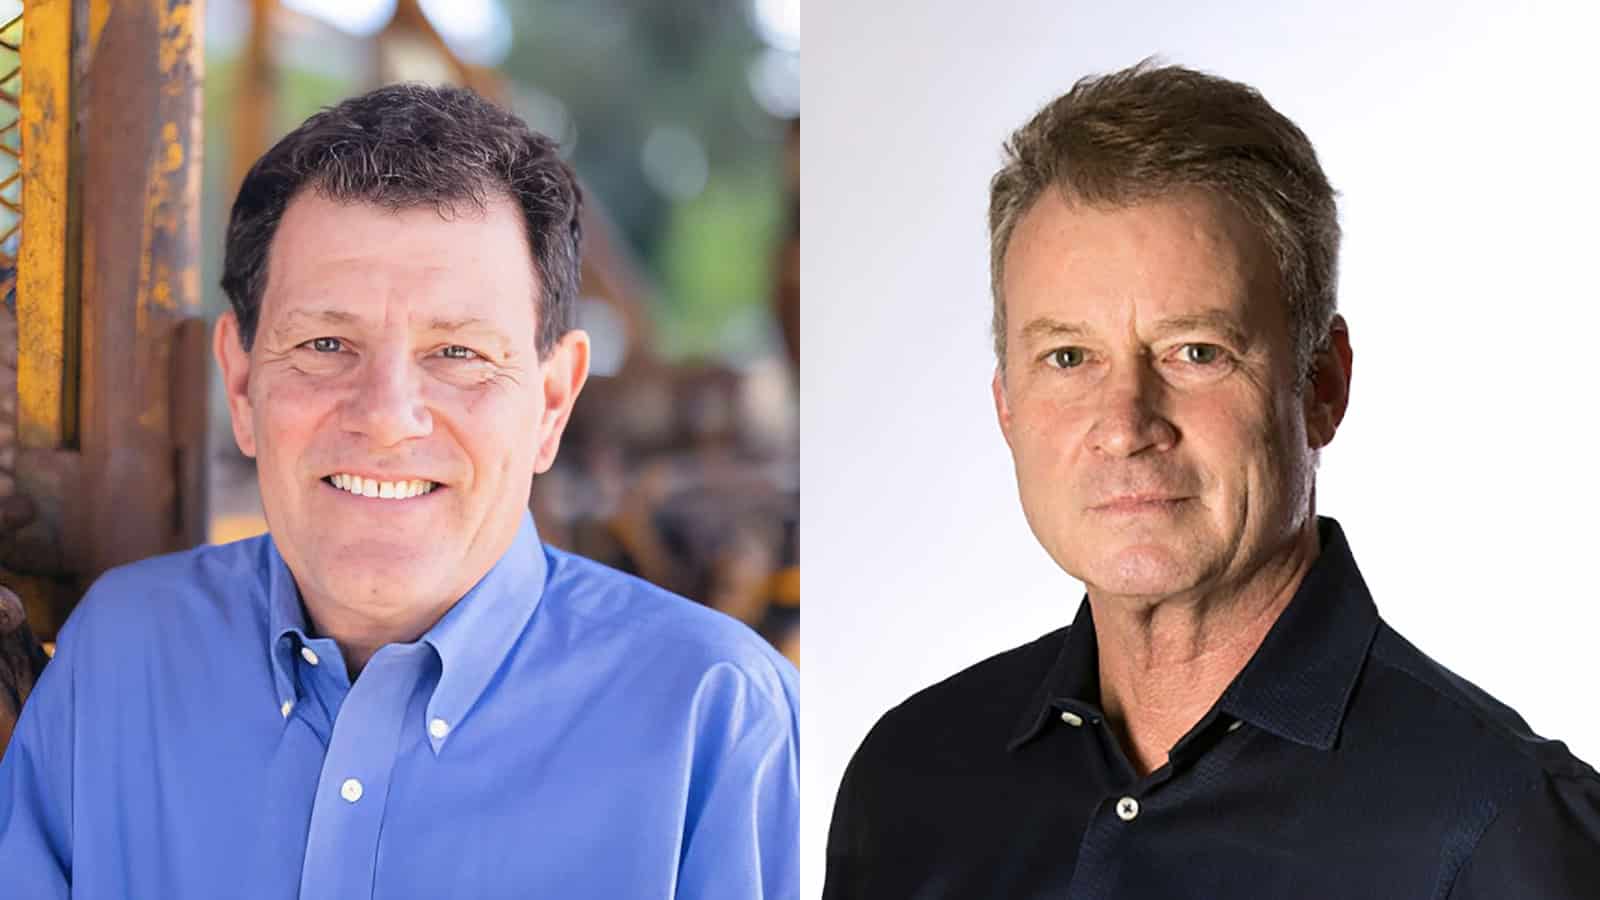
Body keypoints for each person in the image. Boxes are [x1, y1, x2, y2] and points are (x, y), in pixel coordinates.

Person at [0, 83, 798, 899]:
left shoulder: (716, 716)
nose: (386, 419)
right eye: (325, 342)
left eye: (457, 353)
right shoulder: (117, 657)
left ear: (553, 401)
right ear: (240, 385)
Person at [824, 62, 1600, 898]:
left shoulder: (1502, 828)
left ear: (1323, 386)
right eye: (1068, 357)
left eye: (1196, 351)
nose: (1126, 425)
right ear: (1006, 403)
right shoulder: (907, 784)